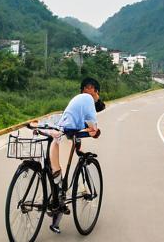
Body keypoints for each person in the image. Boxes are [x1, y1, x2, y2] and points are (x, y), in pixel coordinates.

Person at [40, 77, 105, 234]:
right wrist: (94, 132)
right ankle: (56, 216)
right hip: (64, 138)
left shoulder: (77, 99)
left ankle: (55, 210)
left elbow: (74, 123)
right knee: (63, 179)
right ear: (95, 91)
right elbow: (93, 127)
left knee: (57, 177)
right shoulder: (88, 100)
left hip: (57, 132)